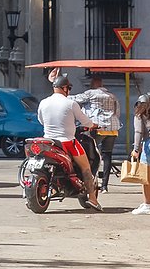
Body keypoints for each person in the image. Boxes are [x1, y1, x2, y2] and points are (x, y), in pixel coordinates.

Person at [37, 73, 101, 209]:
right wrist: (93, 125)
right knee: (86, 167)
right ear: (65, 88)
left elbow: (41, 120)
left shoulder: (43, 102)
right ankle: (93, 199)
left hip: (48, 141)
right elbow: (85, 121)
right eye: (69, 88)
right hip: (67, 142)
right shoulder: (71, 103)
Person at [73, 73, 122, 192]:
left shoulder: (90, 93)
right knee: (107, 155)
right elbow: (118, 112)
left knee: (91, 155)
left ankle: (91, 180)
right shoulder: (112, 96)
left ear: (93, 84)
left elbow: (73, 100)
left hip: (97, 127)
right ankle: (105, 185)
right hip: (112, 128)